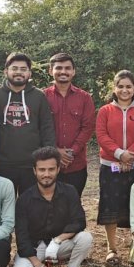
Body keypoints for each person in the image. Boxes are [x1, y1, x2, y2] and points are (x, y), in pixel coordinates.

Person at [12, 147, 93, 267]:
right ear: (34, 171)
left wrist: (58, 240)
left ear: (58, 169)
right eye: (42, 170)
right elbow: (22, 238)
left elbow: (79, 221)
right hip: (35, 248)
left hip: (60, 245)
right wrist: (38, 265)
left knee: (85, 238)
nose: (46, 174)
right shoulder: (24, 199)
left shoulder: (69, 191)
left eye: (51, 169)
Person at [96, 70, 134, 263]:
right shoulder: (105, 111)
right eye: (120, 86)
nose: (124, 90)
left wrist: (130, 155)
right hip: (110, 166)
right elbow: (102, 135)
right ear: (114, 88)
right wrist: (120, 154)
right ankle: (112, 249)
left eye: (128, 86)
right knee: (110, 206)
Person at [0, 52, 56, 196]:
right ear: (6, 71)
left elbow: (47, 128)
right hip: (3, 164)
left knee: (30, 205)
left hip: (31, 163)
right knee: (3, 205)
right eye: (14, 68)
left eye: (23, 69)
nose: (18, 72)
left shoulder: (39, 96)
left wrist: (48, 159)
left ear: (29, 73)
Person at [43, 53, 96, 196]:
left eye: (67, 68)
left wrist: (70, 153)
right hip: (49, 165)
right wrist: (55, 150)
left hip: (76, 165)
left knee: (73, 204)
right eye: (58, 68)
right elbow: (39, 127)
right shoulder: (42, 97)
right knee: (49, 205)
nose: (63, 72)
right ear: (50, 71)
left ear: (73, 71)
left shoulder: (85, 98)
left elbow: (88, 127)